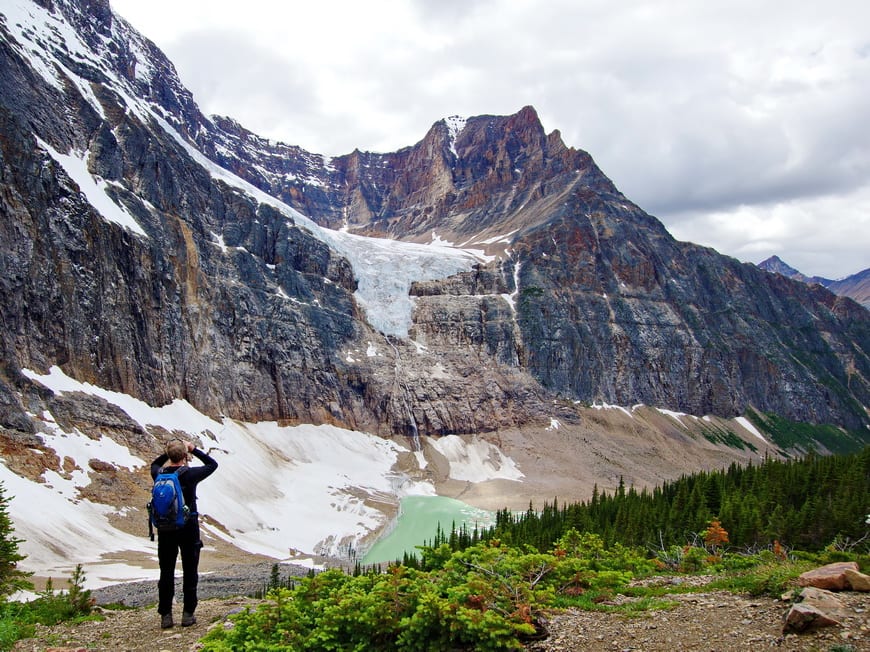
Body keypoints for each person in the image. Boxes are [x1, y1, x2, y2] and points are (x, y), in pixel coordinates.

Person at [150, 439, 218, 629]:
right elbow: (212, 464)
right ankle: (188, 613)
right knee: (190, 570)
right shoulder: (190, 474)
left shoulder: (159, 473)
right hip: (188, 528)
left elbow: (154, 464)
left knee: (166, 572)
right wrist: (193, 449)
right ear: (185, 457)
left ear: (170, 457)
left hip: (165, 530)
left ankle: (166, 615)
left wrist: (168, 452)